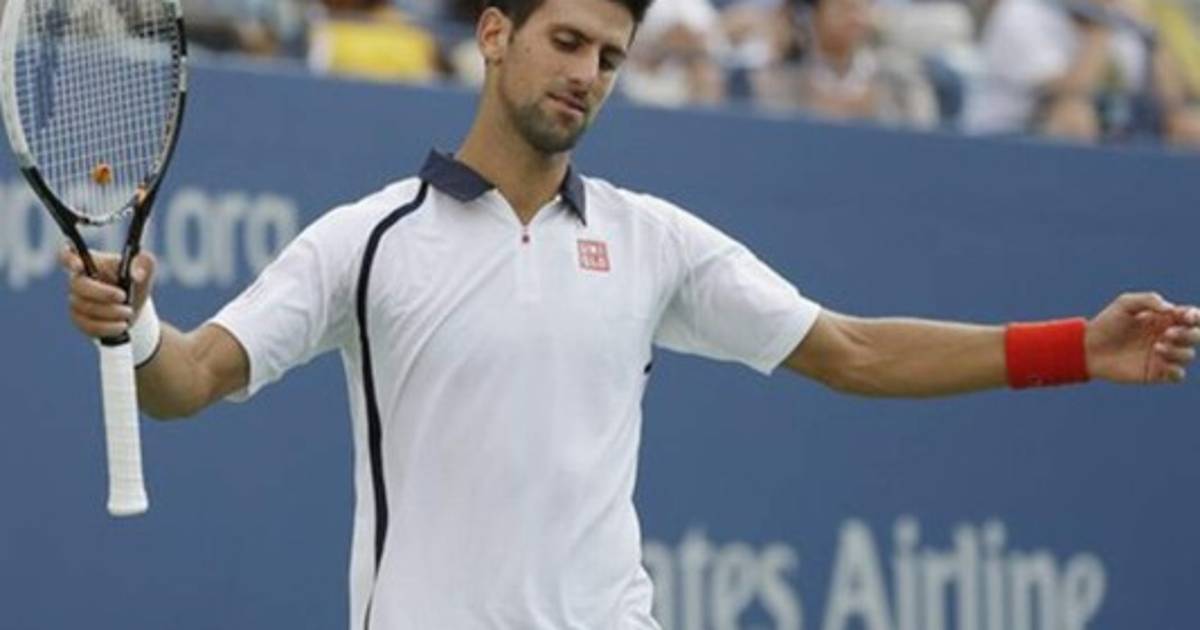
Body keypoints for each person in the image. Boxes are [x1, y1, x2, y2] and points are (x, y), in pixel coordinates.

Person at [60, 0, 1200, 629]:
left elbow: (850, 351)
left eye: (610, 57)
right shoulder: (365, 240)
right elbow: (190, 380)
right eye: (566, 42)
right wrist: (139, 329)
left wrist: (1074, 349)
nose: (588, 74)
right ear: (494, 35)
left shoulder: (655, 241)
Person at [964, 0, 1200, 146]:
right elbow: (1071, 90)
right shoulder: (1022, 12)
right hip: (1005, 140)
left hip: (1110, 137)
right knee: (1073, 114)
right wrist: (1100, 30)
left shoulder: (1119, 20)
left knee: (1190, 126)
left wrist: (1150, 33)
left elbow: (1172, 102)